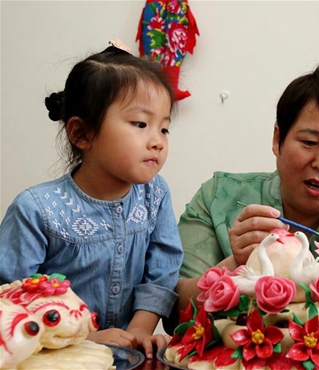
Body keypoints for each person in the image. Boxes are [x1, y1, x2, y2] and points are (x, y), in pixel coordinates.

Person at [174, 62, 319, 344]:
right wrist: (234, 263)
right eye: (309, 142)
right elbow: (176, 313)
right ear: (277, 139)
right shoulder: (218, 198)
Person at [0, 42, 183, 358]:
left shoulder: (156, 193)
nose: (157, 142)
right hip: (55, 358)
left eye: (164, 129)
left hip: (130, 358)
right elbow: (12, 303)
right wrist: (87, 337)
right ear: (82, 134)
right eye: (141, 124)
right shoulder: (37, 210)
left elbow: (162, 271)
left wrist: (139, 330)